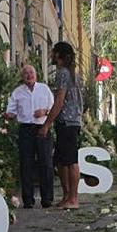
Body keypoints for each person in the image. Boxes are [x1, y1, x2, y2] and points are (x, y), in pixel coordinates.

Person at [4, 65, 55, 208]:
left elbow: (54, 108)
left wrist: (44, 112)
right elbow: (11, 111)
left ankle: (47, 199)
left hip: (42, 128)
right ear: (22, 77)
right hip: (25, 129)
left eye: (31, 72)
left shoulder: (44, 89)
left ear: (36, 74)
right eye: (25, 73)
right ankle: (28, 199)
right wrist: (9, 115)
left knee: (46, 163)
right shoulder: (17, 92)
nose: (28, 75)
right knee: (26, 164)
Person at [44, 41, 83, 210]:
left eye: (53, 52)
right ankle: (67, 196)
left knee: (70, 160)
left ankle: (73, 198)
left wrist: (46, 124)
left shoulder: (63, 74)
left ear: (59, 55)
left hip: (67, 121)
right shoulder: (72, 74)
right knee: (60, 160)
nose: (51, 55)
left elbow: (59, 101)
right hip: (70, 121)